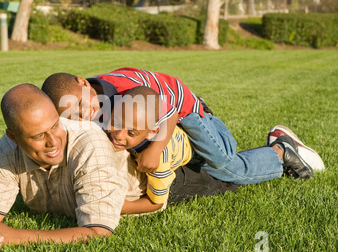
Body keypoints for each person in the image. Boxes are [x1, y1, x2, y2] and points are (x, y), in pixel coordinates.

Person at [0, 83, 240, 251]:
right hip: (111, 172)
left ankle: (276, 152)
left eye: (56, 125)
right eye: (39, 135)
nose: (54, 140)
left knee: (228, 176)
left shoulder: (88, 144)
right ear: (13, 136)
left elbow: (96, 231)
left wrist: (13, 236)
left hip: (149, 180)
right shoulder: (9, 148)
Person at [41, 67, 323, 187]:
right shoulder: (91, 102)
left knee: (226, 167)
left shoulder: (122, 89)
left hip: (191, 116)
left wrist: (156, 149)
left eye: (82, 105)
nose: (84, 113)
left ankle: (280, 151)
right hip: (164, 123)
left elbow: (171, 111)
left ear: (82, 82)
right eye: (74, 114)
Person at [107, 86, 194, 214]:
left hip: (189, 148)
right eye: (116, 123)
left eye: (131, 133)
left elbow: (156, 203)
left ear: (151, 132)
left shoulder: (159, 160)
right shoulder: (130, 123)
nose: (118, 135)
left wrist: (122, 207)